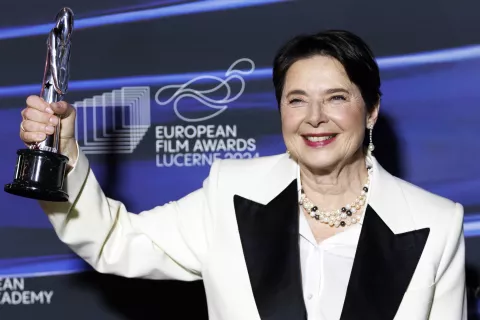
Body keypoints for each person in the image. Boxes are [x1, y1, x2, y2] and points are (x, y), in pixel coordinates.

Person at [19, 30, 466, 320]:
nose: (314, 117)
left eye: (335, 98)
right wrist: (63, 154)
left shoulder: (436, 223)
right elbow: (112, 240)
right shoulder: (230, 194)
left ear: (370, 111)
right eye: (296, 100)